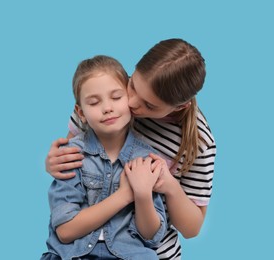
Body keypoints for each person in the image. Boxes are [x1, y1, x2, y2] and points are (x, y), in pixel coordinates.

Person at [46, 38, 216, 259]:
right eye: (132, 86)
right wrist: (54, 162)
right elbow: (74, 156)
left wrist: (169, 186)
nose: (132, 103)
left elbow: (192, 229)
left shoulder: (200, 141)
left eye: (149, 105)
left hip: (149, 250)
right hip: (82, 245)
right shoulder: (108, 92)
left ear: (180, 106)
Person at [41, 55, 167, 260]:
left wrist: (142, 195)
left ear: (130, 99)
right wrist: (125, 195)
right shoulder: (71, 155)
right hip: (72, 254)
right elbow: (65, 231)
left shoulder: (146, 158)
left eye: (116, 97)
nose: (107, 107)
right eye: (94, 102)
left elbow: (151, 237)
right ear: (81, 113)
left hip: (128, 255)